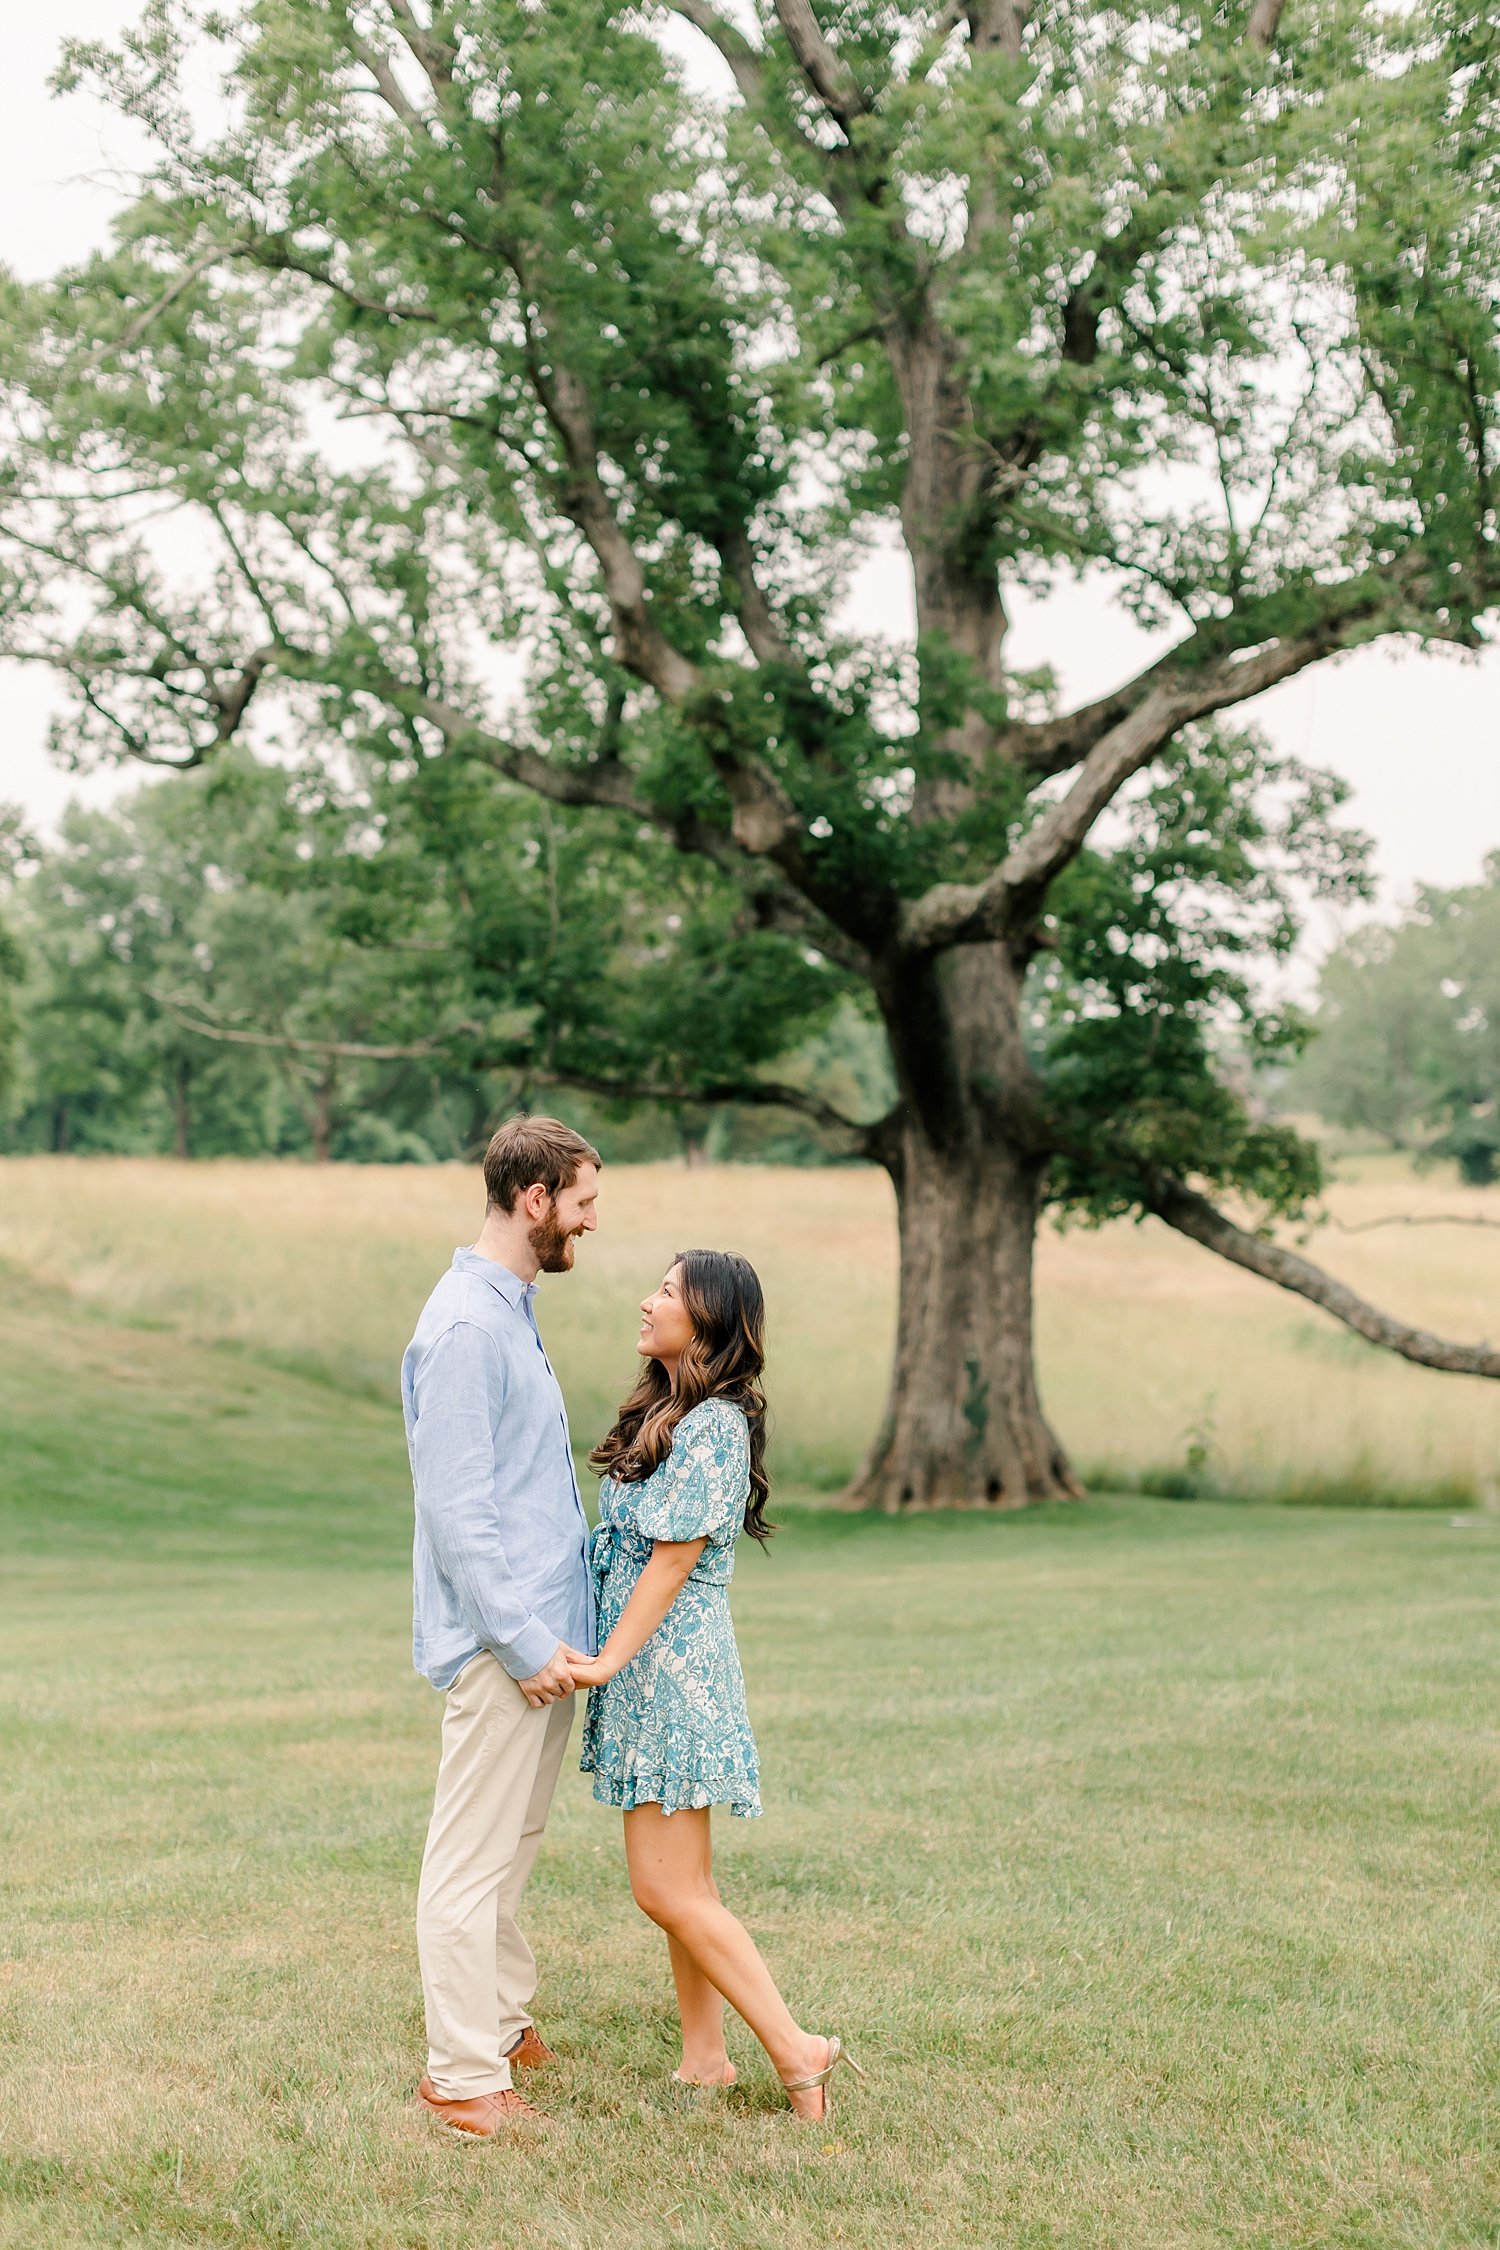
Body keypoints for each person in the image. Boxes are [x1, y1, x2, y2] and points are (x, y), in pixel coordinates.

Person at [570, 1249, 865, 2122]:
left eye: (666, 1291)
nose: (646, 1300)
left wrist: (605, 1662)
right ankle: (706, 2059)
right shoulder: (672, 1413)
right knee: (686, 1889)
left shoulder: (714, 1427)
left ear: (707, 1318)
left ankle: (797, 2049)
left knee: (664, 1890)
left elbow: (671, 1561)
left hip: (671, 1675)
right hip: (653, 1671)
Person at [402, 1115, 601, 2138]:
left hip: (545, 1642)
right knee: (468, 1861)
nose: (590, 1223)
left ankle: (503, 2019)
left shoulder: (508, 1307)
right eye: (582, 1203)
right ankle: (462, 2078)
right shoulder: (468, 1327)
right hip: (503, 1647)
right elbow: (459, 1513)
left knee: (513, 1848)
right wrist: (523, 1646)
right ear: (535, 1201)